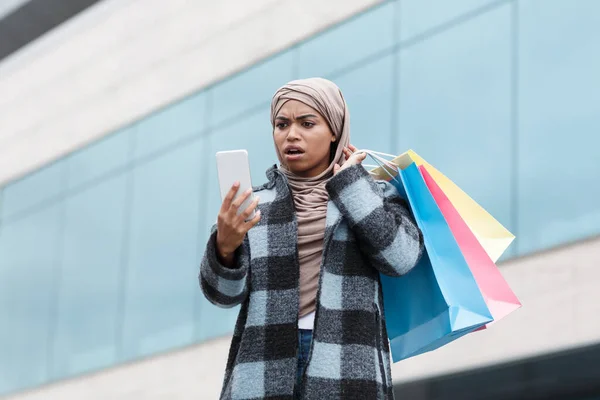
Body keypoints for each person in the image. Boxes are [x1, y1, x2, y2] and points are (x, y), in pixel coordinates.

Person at [199, 77, 424, 400]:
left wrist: (351, 184)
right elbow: (222, 295)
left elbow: (401, 258)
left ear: (334, 129)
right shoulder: (251, 205)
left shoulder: (375, 194)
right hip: (261, 369)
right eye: (281, 124)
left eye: (307, 123)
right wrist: (225, 246)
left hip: (348, 369)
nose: (291, 134)